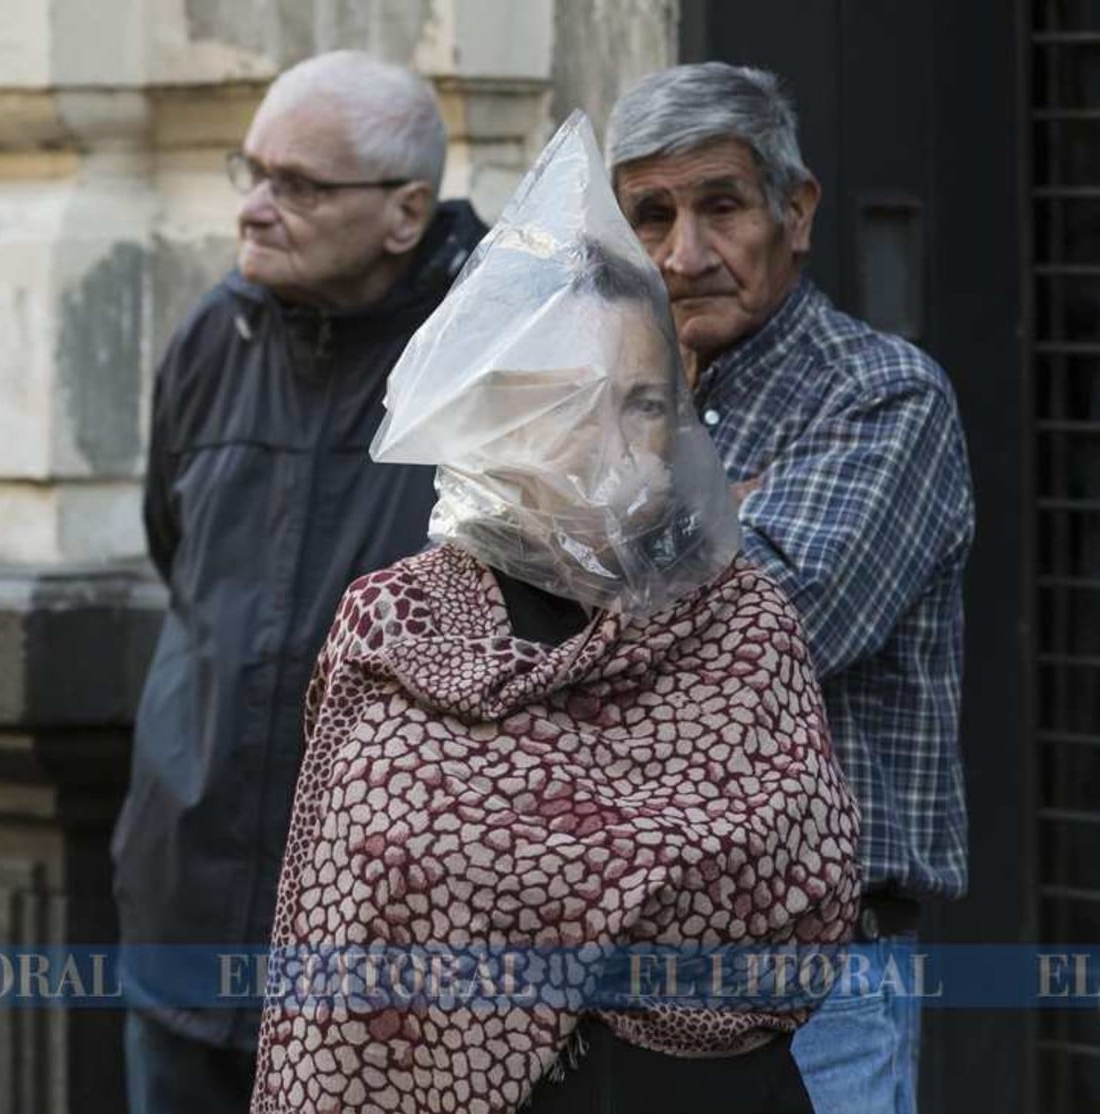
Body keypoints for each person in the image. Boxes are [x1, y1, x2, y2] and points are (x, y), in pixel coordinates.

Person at [251, 113, 863, 1114]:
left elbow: (802, 890)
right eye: (566, 404)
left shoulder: (740, 619)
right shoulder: (404, 625)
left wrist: (542, 891)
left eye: (642, 404)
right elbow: (353, 935)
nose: (611, 443)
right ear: (492, 417)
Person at [110, 51, 486, 1114]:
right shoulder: (210, 339)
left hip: (397, 956)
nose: (254, 208)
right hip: (186, 909)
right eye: (252, 170)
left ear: (405, 212)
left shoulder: (498, 363)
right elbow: (171, 548)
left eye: (300, 185)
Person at [605, 63, 975, 1114]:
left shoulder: (879, 397)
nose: (683, 254)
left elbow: (755, 637)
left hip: (807, 974)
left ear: (793, 209)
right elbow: (492, 616)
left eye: (719, 205)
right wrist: (706, 524)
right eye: (650, 216)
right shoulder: (604, 406)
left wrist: (606, 538)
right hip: (608, 969)